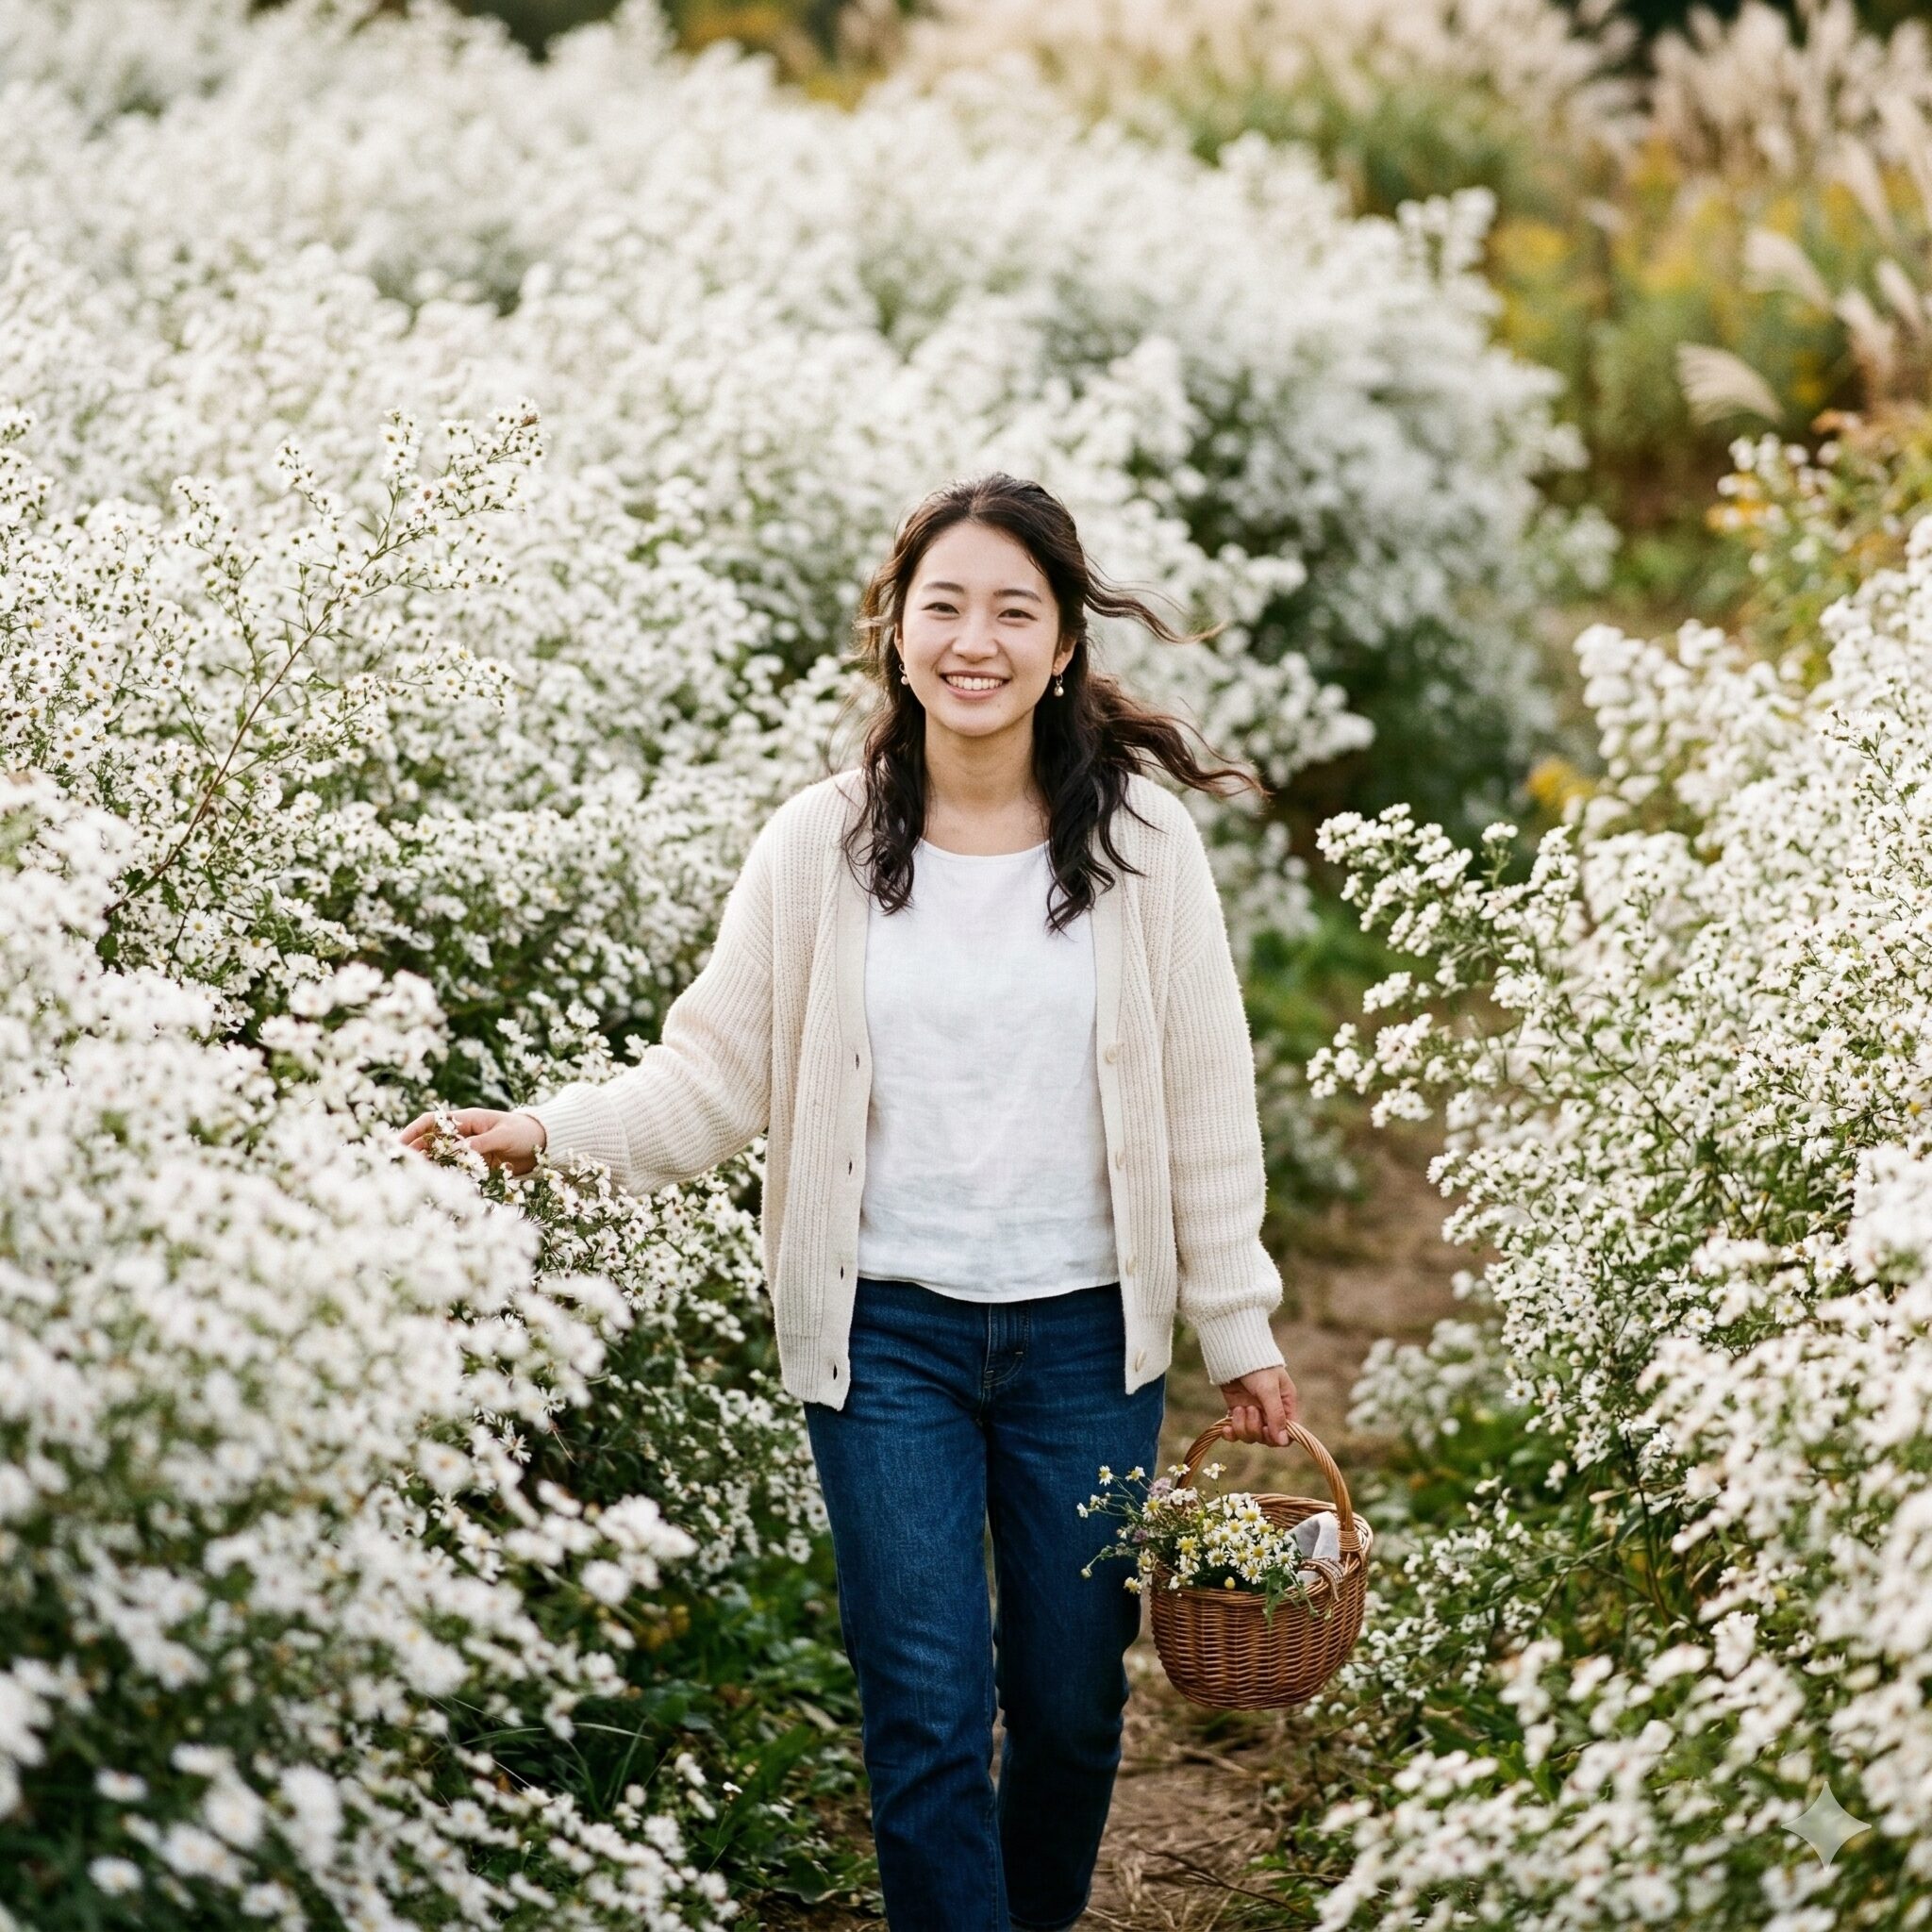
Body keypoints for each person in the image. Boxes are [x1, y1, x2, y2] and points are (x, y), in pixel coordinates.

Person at [397, 472, 1298, 1929]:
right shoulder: (816, 847)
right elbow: (711, 1078)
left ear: (1064, 645)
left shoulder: (1143, 847)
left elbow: (1205, 1100)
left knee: (1070, 1706)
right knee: (926, 1708)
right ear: (896, 631)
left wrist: (1236, 1322)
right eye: (944, 607)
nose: (975, 641)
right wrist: (545, 1133)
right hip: (887, 1344)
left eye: (1014, 612)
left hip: (1088, 1339)